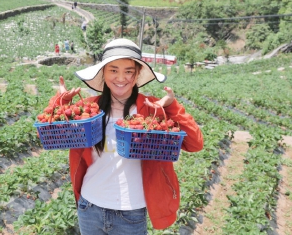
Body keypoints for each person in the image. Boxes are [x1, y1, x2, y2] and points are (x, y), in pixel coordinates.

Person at [50, 38, 204, 234]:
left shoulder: (152, 110)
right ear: (103, 73)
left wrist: (171, 107)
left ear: (137, 74)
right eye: (113, 70)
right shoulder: (88, 109)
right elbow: (55, 133)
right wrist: (61, 105)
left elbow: (195, 143)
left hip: (130, 214)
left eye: (128, 71)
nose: (121, 77)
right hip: (90, 207)